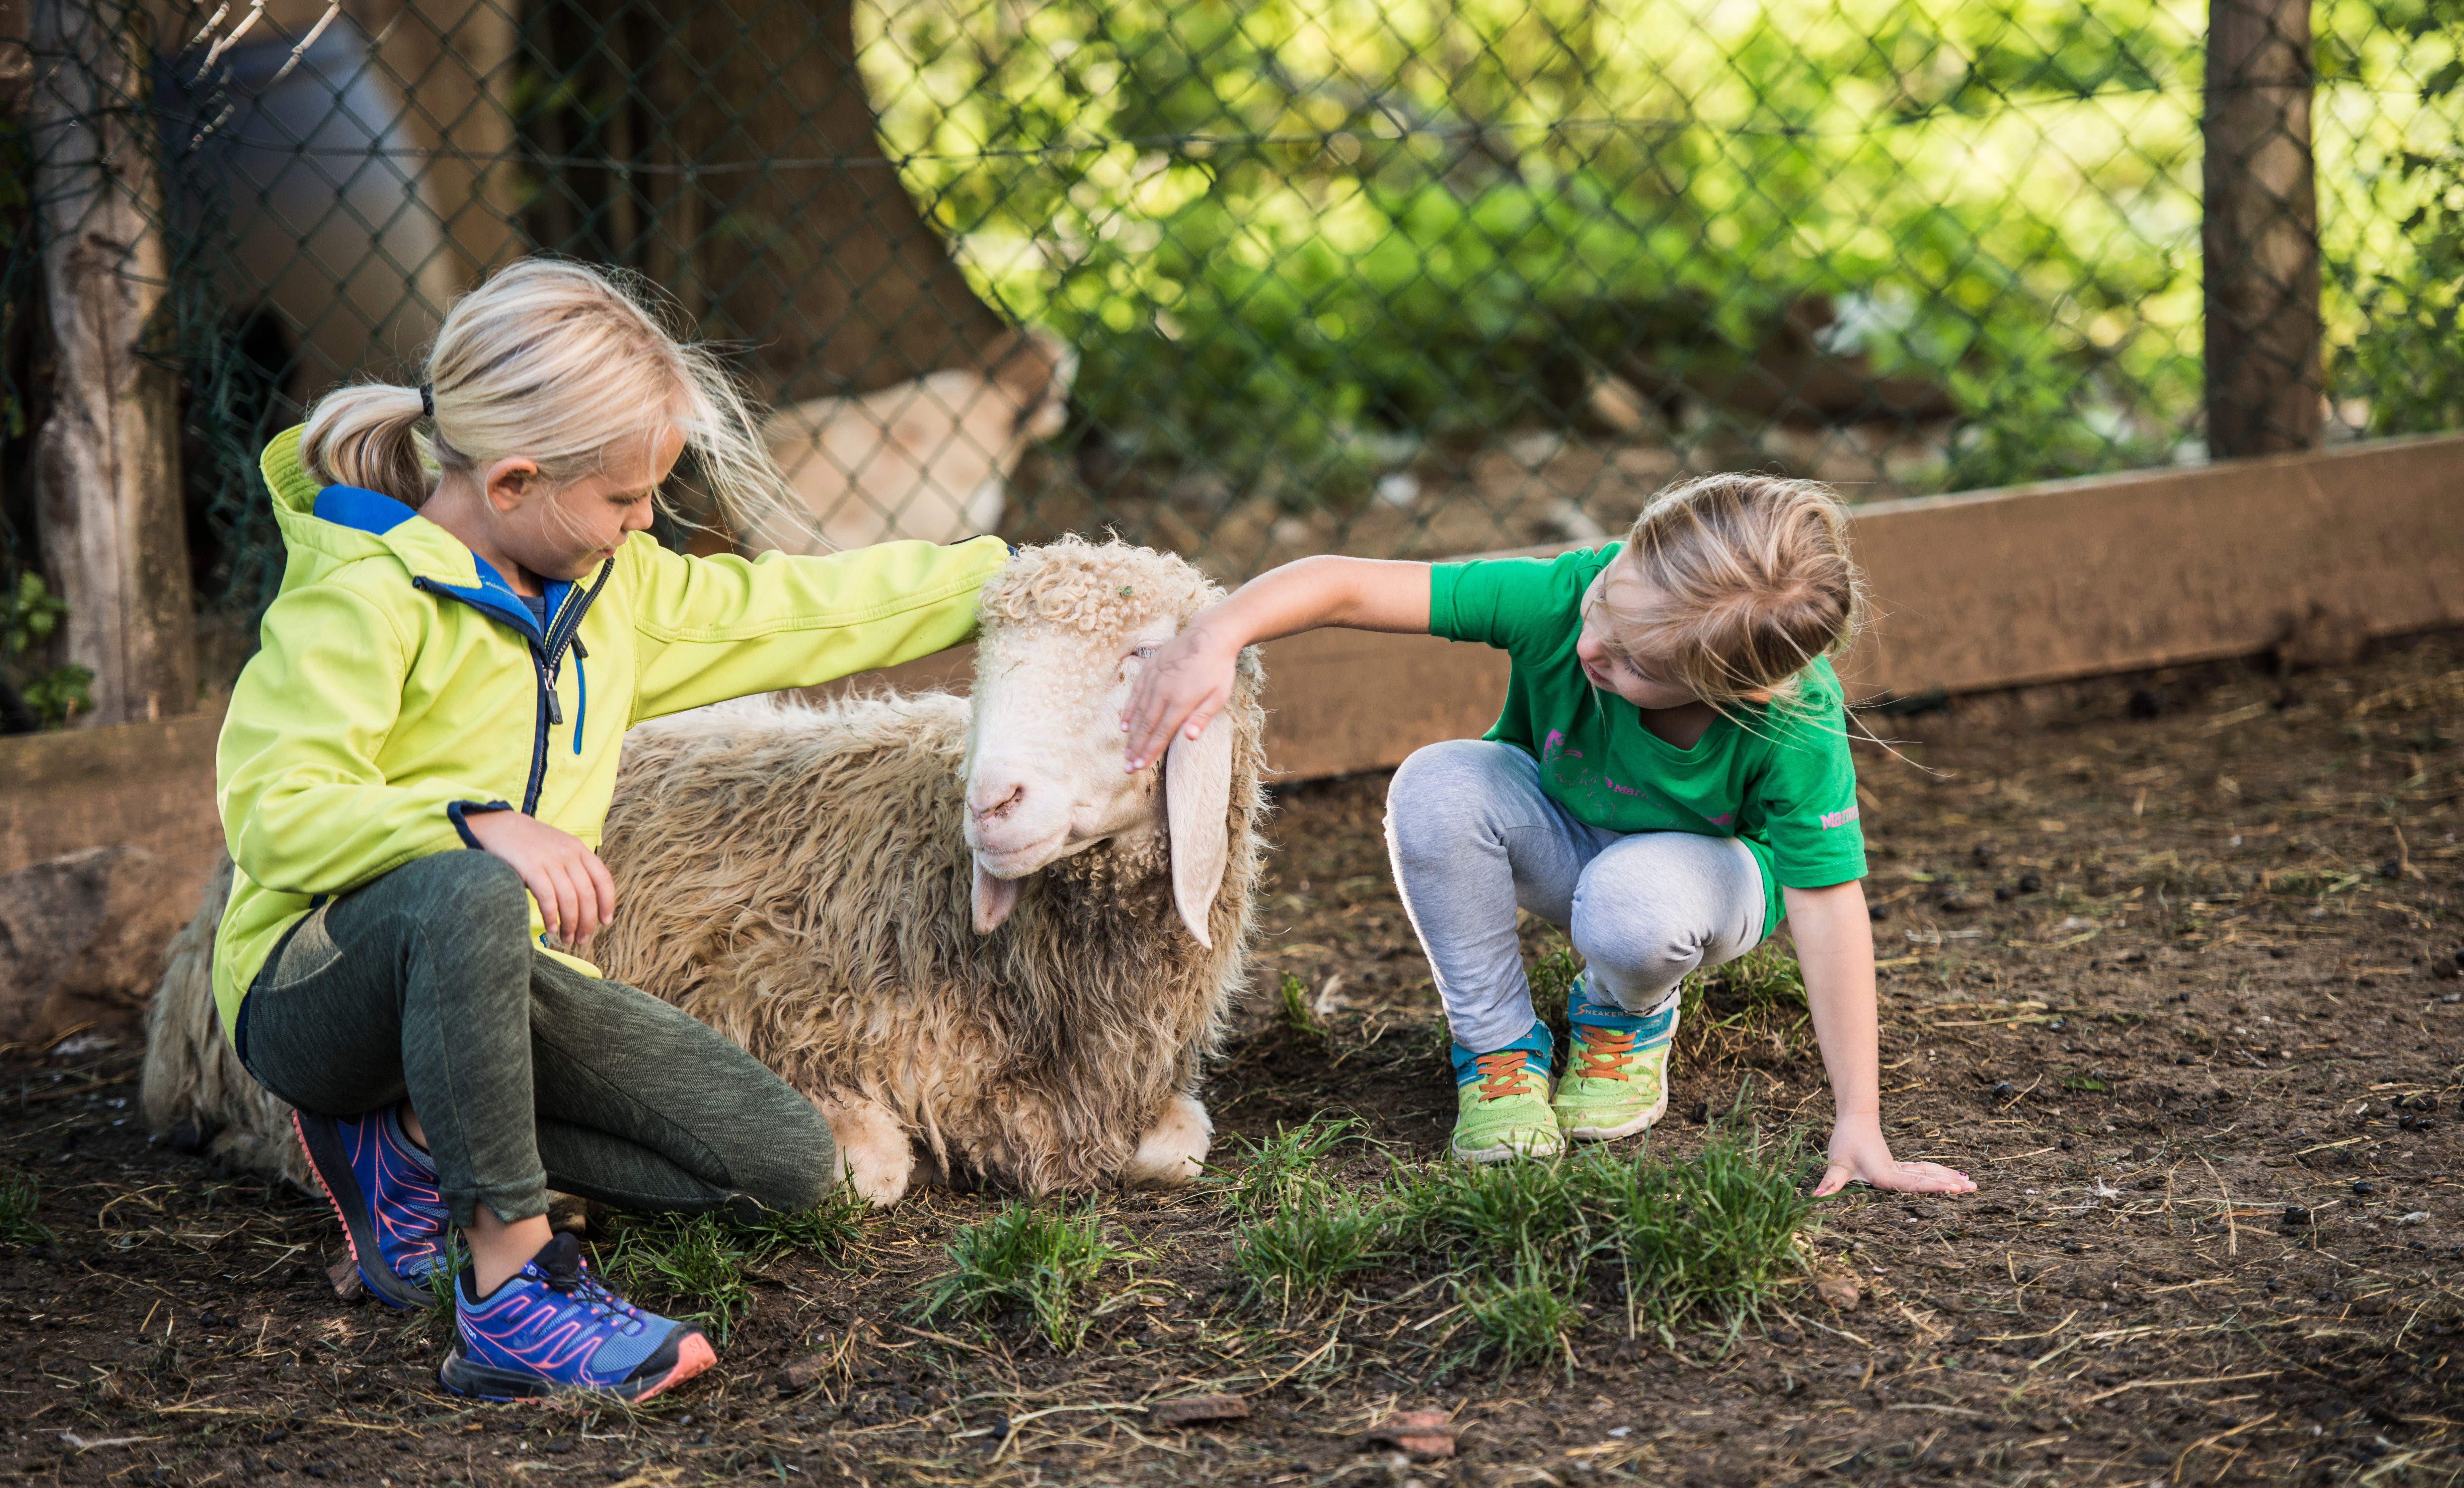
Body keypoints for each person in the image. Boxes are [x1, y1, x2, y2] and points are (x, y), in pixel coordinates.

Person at [215, 259, 1014, 1401]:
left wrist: (1020, 583)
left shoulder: (613, 592)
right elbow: (274, 807)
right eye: (627, 499)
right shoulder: (360, 595)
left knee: (784, 1168)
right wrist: (474, 822)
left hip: (496, 987)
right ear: (514, 479)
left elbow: (805, 607)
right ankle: (511, 1293)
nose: (647, 523)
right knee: (467, 887)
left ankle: (420, 1151)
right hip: (318, 990)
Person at [1123, 473, 1972, 1196]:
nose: (1592, 645)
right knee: (1438, 781)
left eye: (1637, 662)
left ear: (1734, 691)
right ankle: (1497, 1052)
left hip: (1699, 887)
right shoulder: (1568, 599)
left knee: (1630, 897)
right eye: (1608, 601)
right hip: (1566, 832)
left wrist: (1858, 1121)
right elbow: (1347, 585)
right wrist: (1216, 635)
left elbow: (1827, 904)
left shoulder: (1793, 722)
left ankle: (1625, 1014)